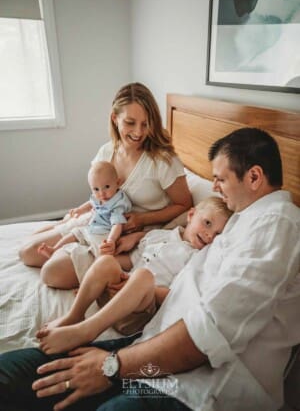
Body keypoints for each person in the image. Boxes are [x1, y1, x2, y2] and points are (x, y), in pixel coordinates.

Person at [1, 127, 299, 411]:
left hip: (191, 388)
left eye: (220, 179)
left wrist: (111, 366)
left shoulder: (276, 223)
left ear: (255, 177)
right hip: (147, 350)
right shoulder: (239, 221)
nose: (215, 188)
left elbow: (206, 335)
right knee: (12, 374)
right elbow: (190, 288)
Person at [19, 82, 192, 290]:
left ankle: (76, 249)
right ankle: (61, 228)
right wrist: (79, 214)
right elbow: (99, 192)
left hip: (128, 235)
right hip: (101, 219)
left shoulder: (163, 161)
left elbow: (184, 205)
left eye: (145, 124)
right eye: (130, 122)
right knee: (27, 252)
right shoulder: (107, 151)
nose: (138, 132)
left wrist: (142, 219)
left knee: (52, 274)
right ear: (114, 118)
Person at [36, 197, 232, 355]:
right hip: (117, 296)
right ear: (191, 215)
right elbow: (130, 262)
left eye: (217, 234)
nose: (209, 236)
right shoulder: (159, 236)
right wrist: (101, 273)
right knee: (107, 262)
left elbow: (177, 296)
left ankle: (86, 330)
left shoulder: (197, 259)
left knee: (143, 275)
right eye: (207, 223)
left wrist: (141, 286)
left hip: (140, 312)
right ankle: (74, 315)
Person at [37, 161, 132, 261]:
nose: (102, 193)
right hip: (92, 227)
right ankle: (55, 249)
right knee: (75, 232)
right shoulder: (99, 197)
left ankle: (107, 263)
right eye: (96, 189)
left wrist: (111, 240)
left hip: (106, 233)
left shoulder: (118, 203)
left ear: (117, 183)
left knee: (101, 250)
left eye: (107, 187)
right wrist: (79, 210)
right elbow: (90, 203)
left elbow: (117, 224)